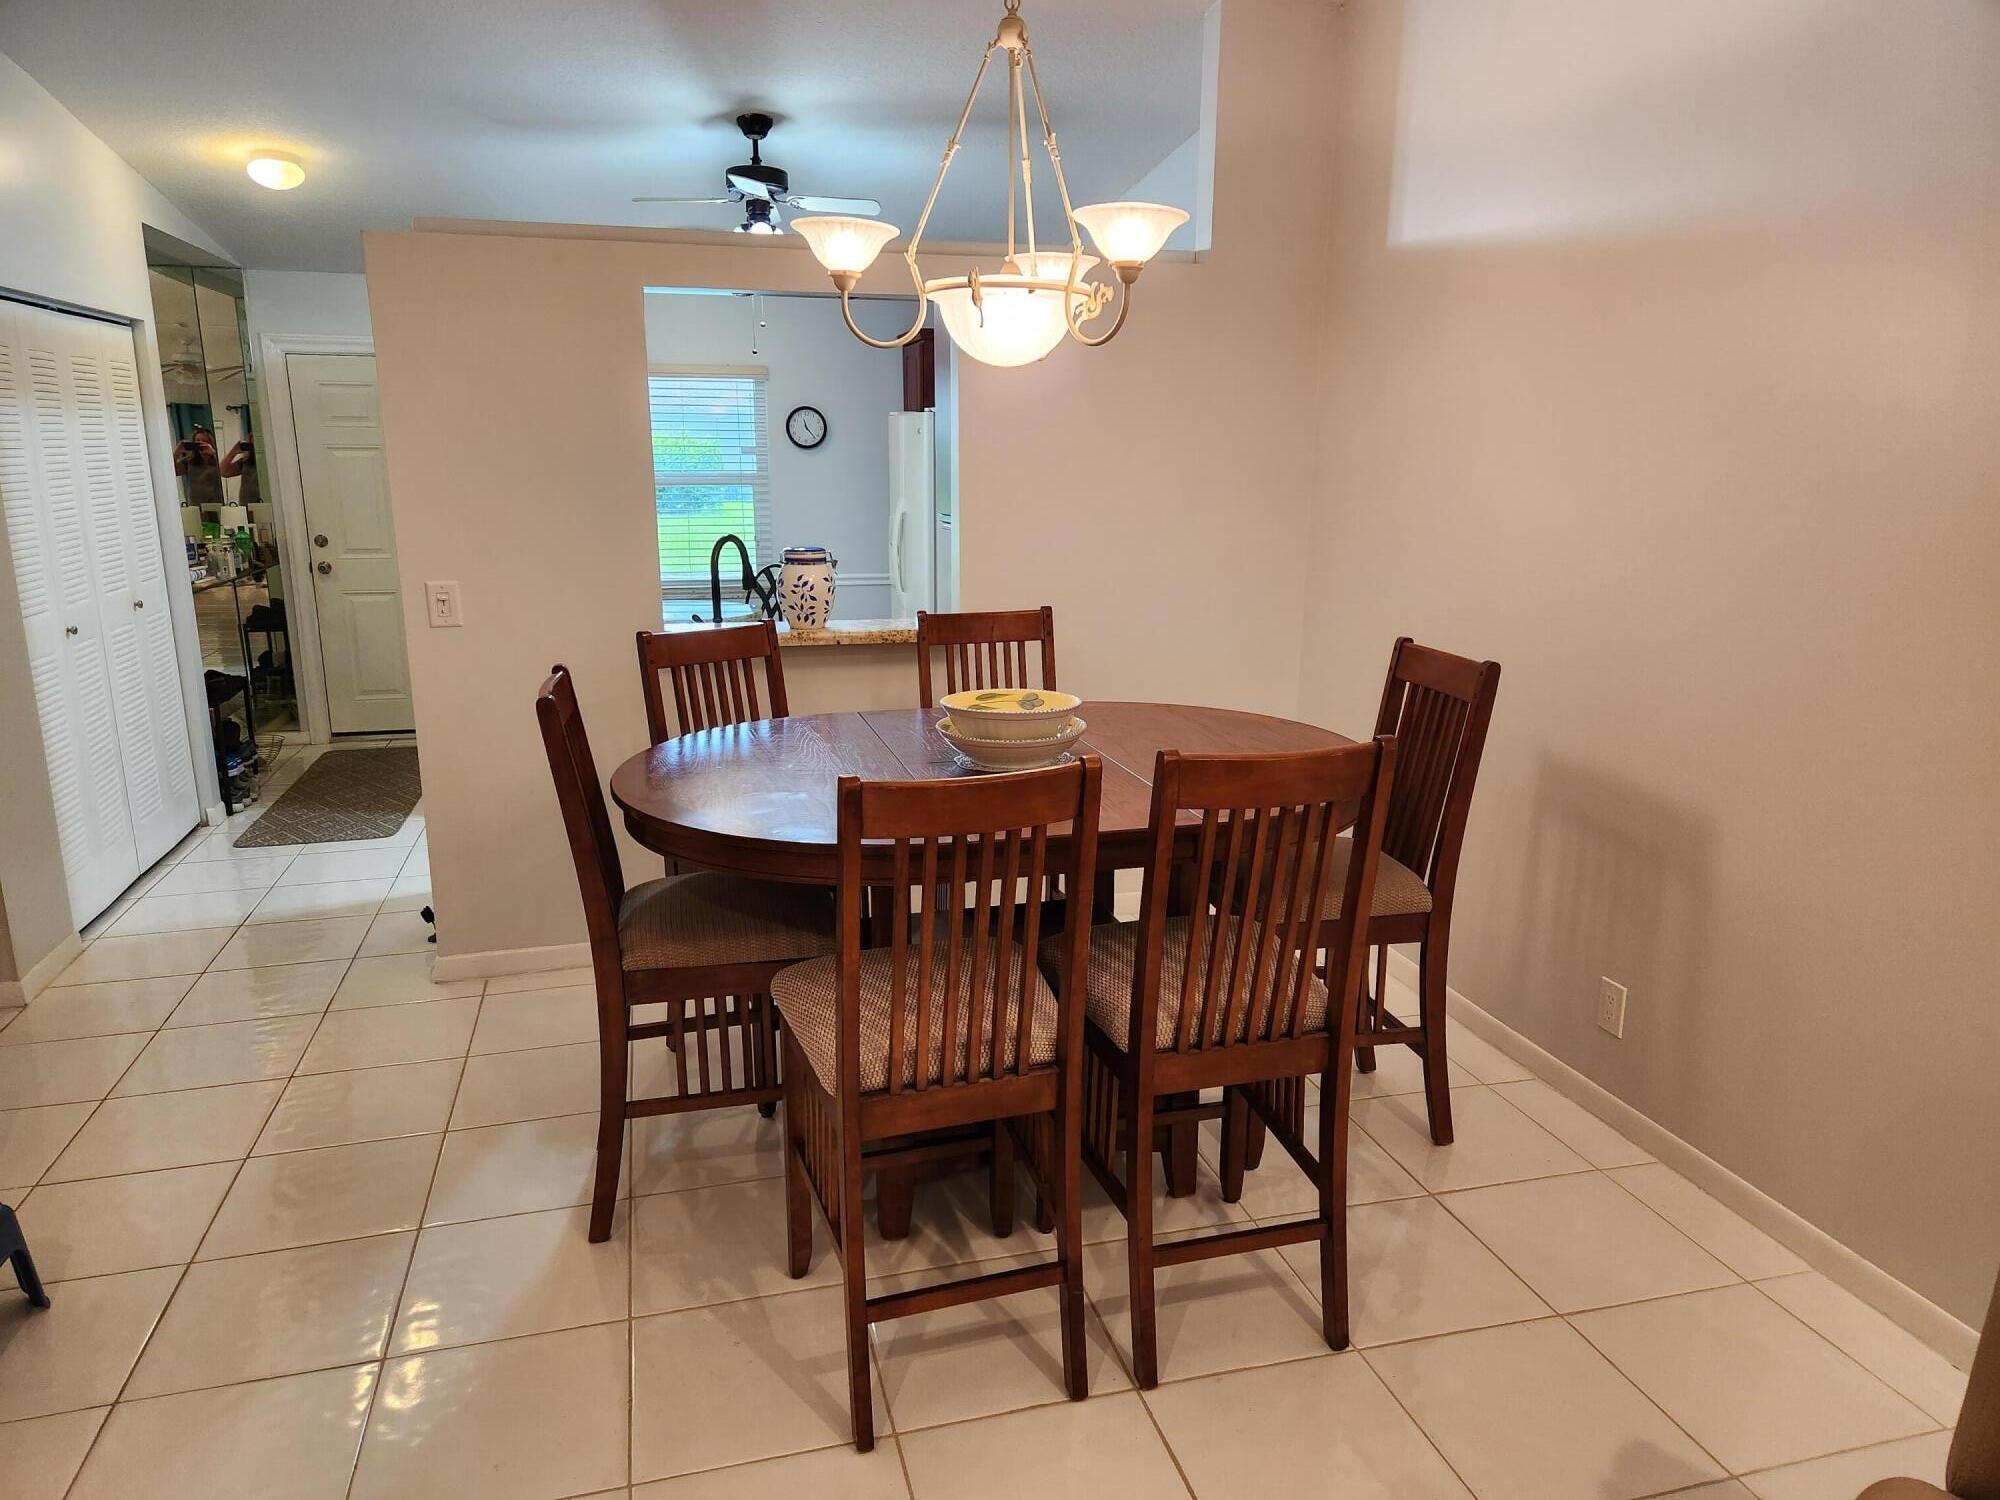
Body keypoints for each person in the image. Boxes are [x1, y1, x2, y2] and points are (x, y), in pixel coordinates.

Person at [174, 426, 223, 507]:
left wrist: (213, 453)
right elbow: (170, 471)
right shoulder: (189, 461)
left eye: (204, 441)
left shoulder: (217, 460)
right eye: (198, 441)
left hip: (216, 505)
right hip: (195, 506)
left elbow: (225, 472)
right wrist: (178, 450)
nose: (200, 443)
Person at [220, 429, 260, 506]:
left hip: (264, 504)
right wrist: (233, 452)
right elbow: (223, 471)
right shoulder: (245, 461)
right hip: (246, 506)